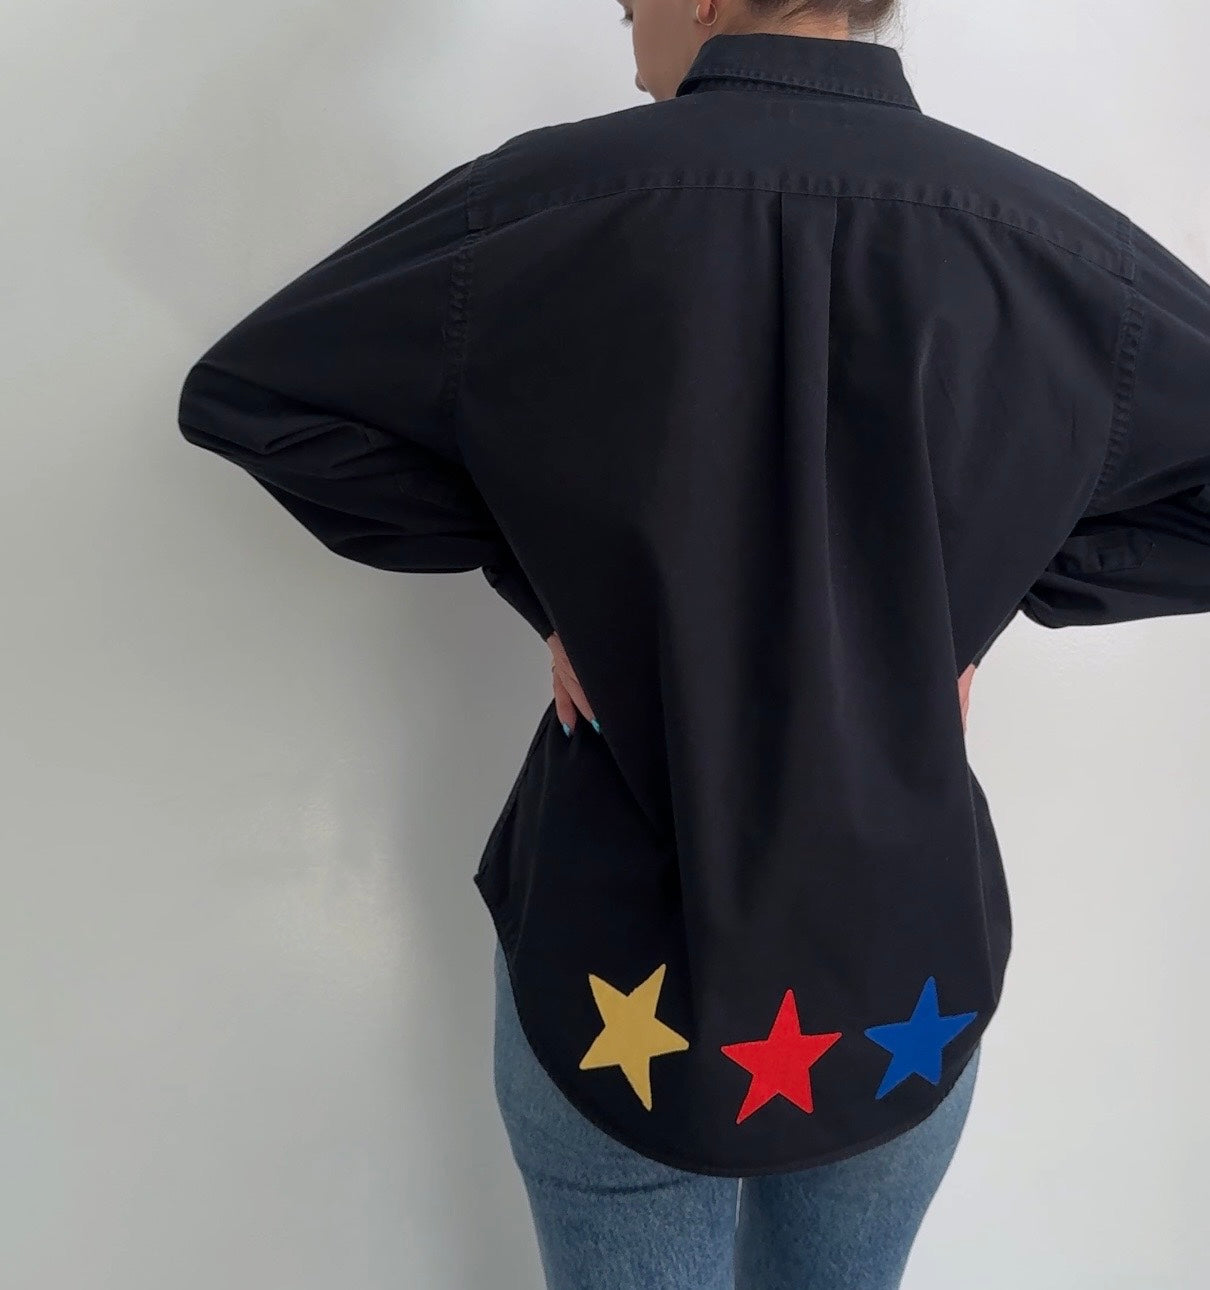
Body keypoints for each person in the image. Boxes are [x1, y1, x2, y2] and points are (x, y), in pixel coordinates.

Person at [177, 0, 1210, 1285]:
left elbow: (256, 396)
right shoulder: (1045, 238)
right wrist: (961, 606)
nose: (624, 18)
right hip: (899, 961)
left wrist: (547, 583)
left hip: (617, 954)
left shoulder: (540, 202)